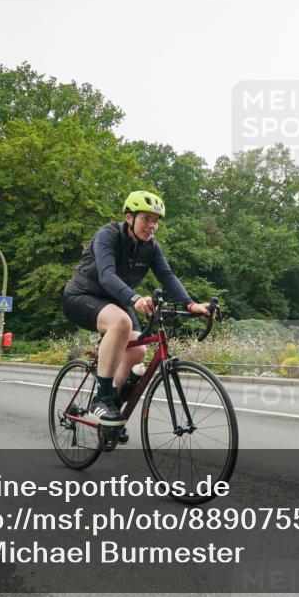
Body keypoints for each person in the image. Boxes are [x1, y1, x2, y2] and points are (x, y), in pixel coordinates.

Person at [61, 190, 212, 443]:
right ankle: (102, 399)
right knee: (120, 323)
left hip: (117, 301)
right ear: (129, 218)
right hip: (82, 296)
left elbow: (167, 276)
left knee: (139, 350)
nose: (152, 226)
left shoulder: (151, 247)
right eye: (146, 219)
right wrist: (135, 298)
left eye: (156, 221)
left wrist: (190, 304)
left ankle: (112, 408)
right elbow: (107, 275)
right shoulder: (107, 235)